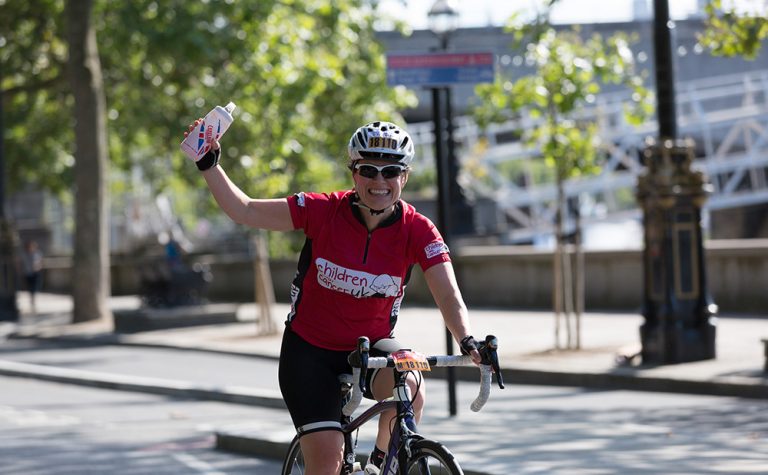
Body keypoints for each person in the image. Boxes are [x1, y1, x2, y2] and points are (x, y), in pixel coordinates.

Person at [184, 119, 483, 475]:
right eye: (368, 170)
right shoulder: (322, 211)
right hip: (310, 353)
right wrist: (209, 164)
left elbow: (448, 293)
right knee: (328, 460)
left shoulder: (418, 230)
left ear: (405, 176)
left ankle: (378, 467)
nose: (379, 182)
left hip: (370, 347)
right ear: (353, 172)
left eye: (391, 172)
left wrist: (466, 339)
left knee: (412, 384)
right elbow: (245, 210)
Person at [21, 240, 43, 315]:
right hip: (28, 273)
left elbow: (40, 262)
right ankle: (32, 300)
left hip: (35, 273)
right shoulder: (24, 254)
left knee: (34, 288)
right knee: (30, 288)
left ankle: (33, 302)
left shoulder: (37, 254)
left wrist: (37, 267)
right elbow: (22, 264)